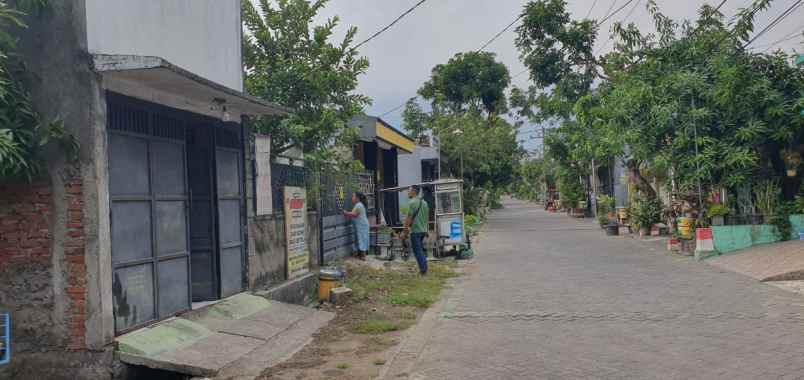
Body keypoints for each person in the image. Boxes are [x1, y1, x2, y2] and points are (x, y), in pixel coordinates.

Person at [404, 185, 430, 275]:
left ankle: (423, 270)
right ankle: (423, 268)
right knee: (420, 250)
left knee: (417, 251)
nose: (408, 192)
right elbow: (426, 218)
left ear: (414, 191)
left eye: (409, 190)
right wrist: (426, 230)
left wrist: (405, 230)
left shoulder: (412, 202)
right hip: (423, 231)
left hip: (416, 231)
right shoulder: (424, 203)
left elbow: (408, 218)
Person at [343, 192, 369, 260]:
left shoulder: (359, 205)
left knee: (361, 238)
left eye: (353, 196)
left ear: (357, 198)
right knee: (359, 238)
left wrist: (345, 213)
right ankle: (359, 254)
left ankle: (363, 256)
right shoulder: (359, 204)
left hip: (362, 225)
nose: (352, 198)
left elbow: (354, 214)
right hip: (361, 225)